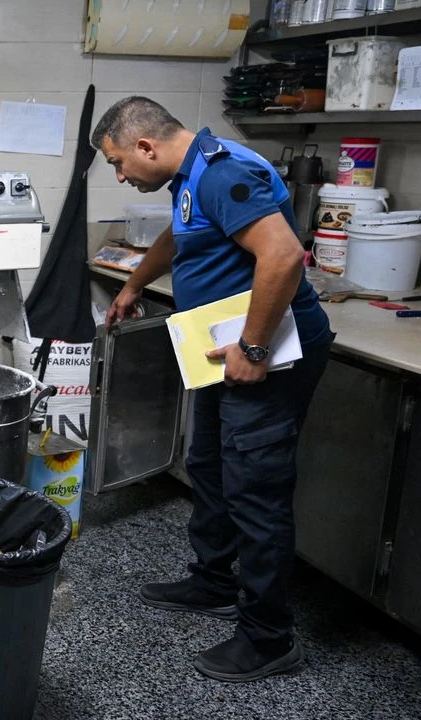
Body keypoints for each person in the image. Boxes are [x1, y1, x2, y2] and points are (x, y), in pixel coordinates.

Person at [91, 97, 333, 683]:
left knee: (255, 489)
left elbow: (283, 255)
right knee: (210, 465)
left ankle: (269, 638)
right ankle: (215, 580)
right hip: (222, 347)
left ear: (146, 147)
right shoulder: (192, 172)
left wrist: (253, 348)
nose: (121, 175)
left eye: (120, 162)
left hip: (268, 354)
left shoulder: (224, 171)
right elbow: (182, 236)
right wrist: (134, 285)